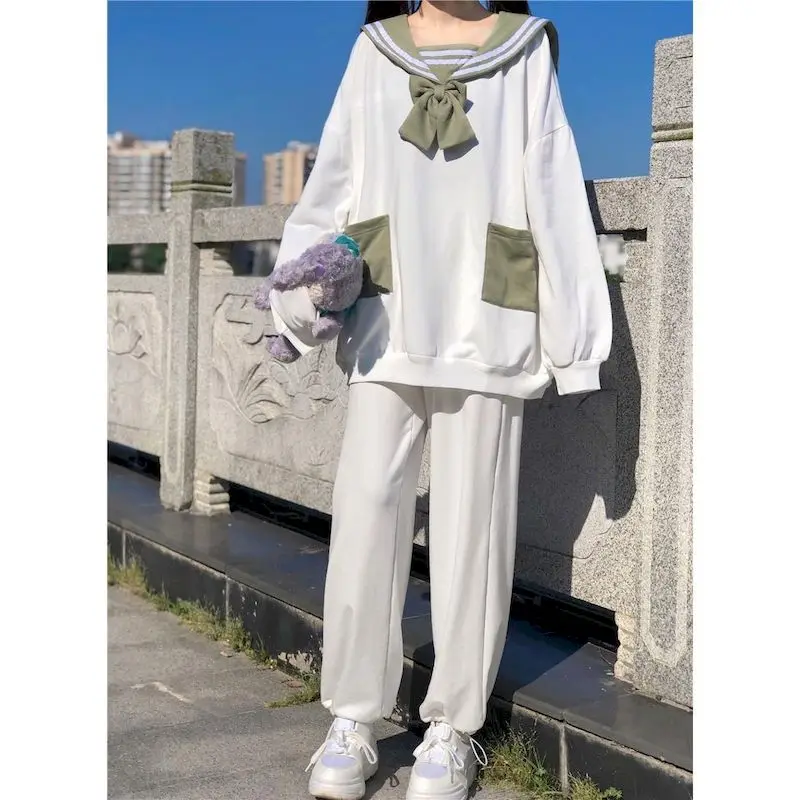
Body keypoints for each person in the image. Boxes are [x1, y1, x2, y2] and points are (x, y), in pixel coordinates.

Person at [267, 2, 612, 798]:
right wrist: (296, 296)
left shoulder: (525, 50)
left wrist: (576, 344)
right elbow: (334, 175)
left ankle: (452, 729)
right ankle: (352, 718)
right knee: (366, 514)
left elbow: (554, 186)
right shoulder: (374, 51)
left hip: (491, 321)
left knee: (472, 529)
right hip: (385, 316)